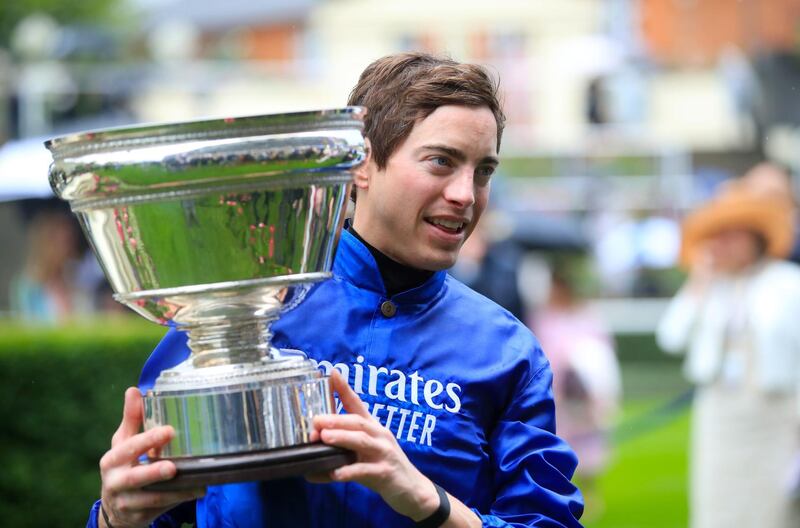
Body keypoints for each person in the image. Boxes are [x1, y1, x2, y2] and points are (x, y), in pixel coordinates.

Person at [89, 52, 584, 528]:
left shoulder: (506, 352)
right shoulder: (240, 312)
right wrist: (116, 517)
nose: (464, 194)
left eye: (483, 171)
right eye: (441, 161)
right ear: (361, 164)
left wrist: (424, 499)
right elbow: (155, 501)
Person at [656, 178, 800, 528]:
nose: (723, 245)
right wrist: (698, 282)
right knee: (718, 504)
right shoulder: (711, 288)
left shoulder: (787, 283)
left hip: (778, 414)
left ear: (755, 238)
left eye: (733, 235)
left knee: (775, 506)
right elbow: (671, 337)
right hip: (720, 413)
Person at [529, 263, 621, 520]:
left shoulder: (588, 316)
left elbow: (602, 354)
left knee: (589, 445)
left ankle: (589, 495)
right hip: (556, 392)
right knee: (558, 443)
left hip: (584, 393)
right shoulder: (541, 318)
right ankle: (559, 494)